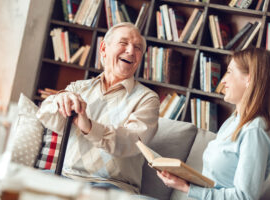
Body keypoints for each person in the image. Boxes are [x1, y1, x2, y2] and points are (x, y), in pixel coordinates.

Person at [36, 22, 160, 194]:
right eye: (123, 43)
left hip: (112, 185)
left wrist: (89, 127)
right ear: (103, 49)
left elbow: (132, 142)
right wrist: (59, 99)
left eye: (138, 47)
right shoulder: (79, 88)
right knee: (15, 182)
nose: (131, 51)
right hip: (66, 176)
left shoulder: (147, 99)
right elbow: (45, 116)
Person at [157, 48, 270, 199]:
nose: (223, 80)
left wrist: (187, 188)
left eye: (229, 72)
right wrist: (183, 179)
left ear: (249, 79)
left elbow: (244, 196)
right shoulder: (233, 120)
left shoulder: (254, 130)